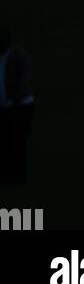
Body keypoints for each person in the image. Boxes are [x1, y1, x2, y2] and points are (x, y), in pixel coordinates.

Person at [0, 30, 34, 183]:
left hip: (19, 106)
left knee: (17, 141)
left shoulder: (19, 56)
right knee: (7, 142)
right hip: (5, 105)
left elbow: (24, 78)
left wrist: (16, 101)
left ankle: (18, 176)